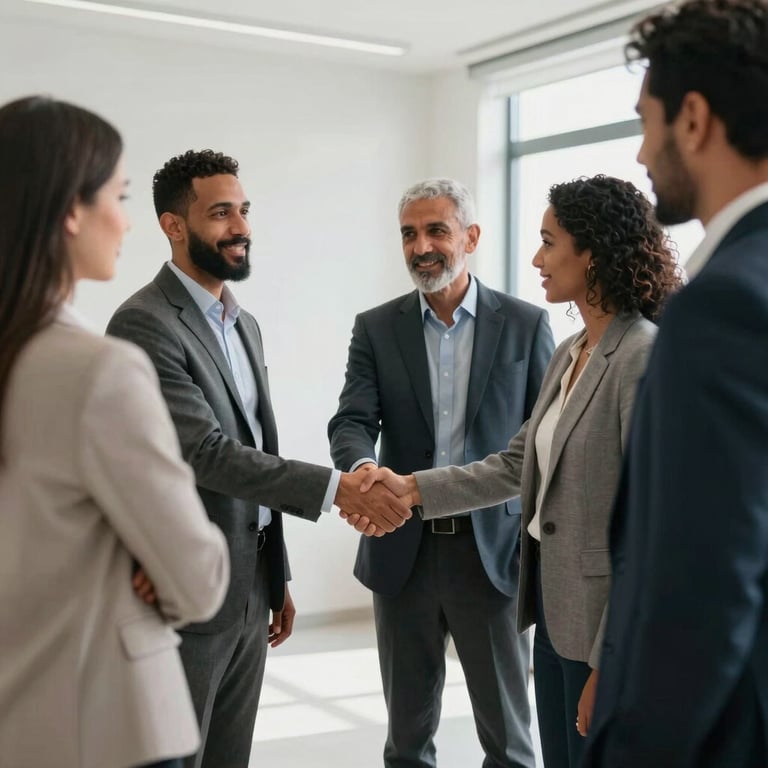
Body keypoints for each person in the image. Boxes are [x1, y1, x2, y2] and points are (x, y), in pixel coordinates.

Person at [352, 175, 682, 768]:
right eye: (409, 233)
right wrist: (405, 486)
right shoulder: (572, 351)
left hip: (581, 613)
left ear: (593, 252)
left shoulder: (639, 355)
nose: (535, 258)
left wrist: (614, 651)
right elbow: (515, 463)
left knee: (521, 746)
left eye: (548, 242)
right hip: (549, 607)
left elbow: (650, 523)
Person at [106, 150, 410, 768]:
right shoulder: (144, 324)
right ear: (173, 225)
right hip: (182, 592)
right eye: (220, 213)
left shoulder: (244, 326)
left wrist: (277, 575)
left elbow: (257, 453)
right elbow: (206, 454)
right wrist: (339, 489)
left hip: (249, 587)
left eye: (243, 210)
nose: (240, 227)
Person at [0, 97, 229, 768]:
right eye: (120, 196)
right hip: (109, 723)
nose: (127, 221)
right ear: (72, 210)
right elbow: (198, 577)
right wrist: (148, 558)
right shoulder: (97, 370)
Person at [580, 1, 768, 765]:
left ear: (692, 118)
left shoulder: (721, 306)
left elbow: (701, 589)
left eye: (646, 121)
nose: (640, 151)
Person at [328, 178, 554, 768]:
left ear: (471, 237)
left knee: (509, 742)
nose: (421, 245)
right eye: (409, 233)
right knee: (406, 743)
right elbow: (351, 421)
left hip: (493, 555)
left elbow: (543, 440)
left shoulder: (527, 325)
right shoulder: (376, 328)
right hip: (401, 549)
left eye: (436, 230)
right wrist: (365, 469)